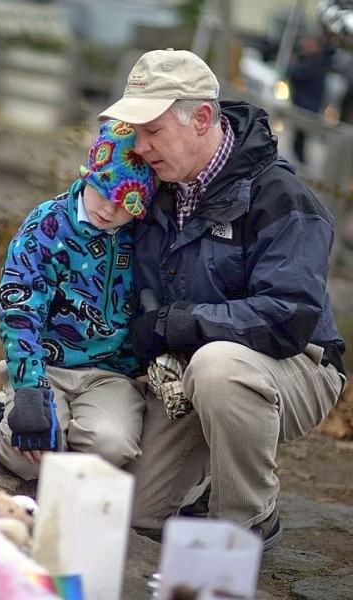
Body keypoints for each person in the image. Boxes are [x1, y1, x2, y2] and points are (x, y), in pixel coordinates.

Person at [98, 48, 347, 551]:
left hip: (297, 366)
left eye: (152, 131)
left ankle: (247, 520)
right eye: (134, 132)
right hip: (185, 367)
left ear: (202, 118)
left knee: (219, 369)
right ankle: (209, 478)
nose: (140, 146)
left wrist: (182, 323)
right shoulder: (151, 190)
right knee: (139, 511)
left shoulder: (282, 197)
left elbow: (289, 317)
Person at [0, 120, 157, 481]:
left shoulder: (140, 237)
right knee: (27, 457)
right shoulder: (48, 225)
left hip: (109, 373)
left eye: (124, 204)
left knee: (111, 446)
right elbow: (19, 304)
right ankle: (7, 407)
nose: (110, 211)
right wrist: (30, 388)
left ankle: (67, 437)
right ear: (90, 175)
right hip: (46, 365)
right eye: (103, 192)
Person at [286, 34, 333, 163]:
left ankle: (302, 167)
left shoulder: (317, 63)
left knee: (301, 141)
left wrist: (293, 63)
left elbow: (297, 75)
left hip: (307, 106)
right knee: (298, 140)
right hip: (304, 104)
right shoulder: (314, 61)